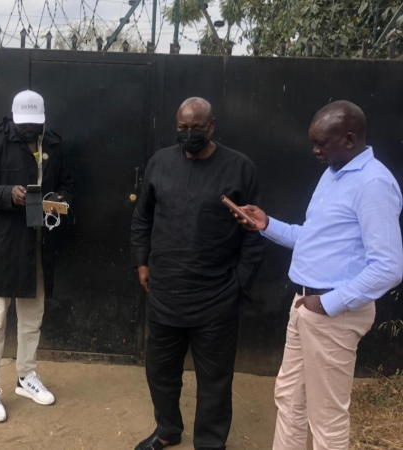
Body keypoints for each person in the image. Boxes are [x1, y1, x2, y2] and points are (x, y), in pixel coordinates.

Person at [233, 100, 403, 450]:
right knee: (289, 400)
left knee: (326, 418)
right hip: (307, 305)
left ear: (350, 139)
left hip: (333, 314)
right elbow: (311, 239)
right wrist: (266, 225)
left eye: (321, 143)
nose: (315, 150)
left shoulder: (373, 184)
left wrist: (327, 304)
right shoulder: (333, 174)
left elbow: (389, 266)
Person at [131, 97, 265, 450]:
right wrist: (142, 261)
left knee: (215, 380)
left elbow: (255, 231)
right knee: (160, 371)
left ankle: (209, 443)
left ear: (212, 126)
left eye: (196, 128)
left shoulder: (240, 169)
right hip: (164, 292)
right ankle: (167, 429)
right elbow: (143, 217)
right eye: (182, 127)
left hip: (216, 296)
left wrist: (240, 283)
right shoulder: (160, 162)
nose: (188, 134)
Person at [0, 90, 73, 423]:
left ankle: (26, 376)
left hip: (40, 244)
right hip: (5, 245)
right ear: (13, 118)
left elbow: (69, 188)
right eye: (24, 125)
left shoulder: (54, 144)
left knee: (32, 317)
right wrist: (6, 193)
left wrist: (57, 200)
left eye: (35, 126)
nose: (29, 132)